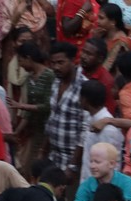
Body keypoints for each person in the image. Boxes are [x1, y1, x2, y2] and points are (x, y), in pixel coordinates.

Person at [8, 42, 55, 178]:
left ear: (28, 58)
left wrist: (21, 106)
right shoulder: (29, 78)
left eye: (21, 60)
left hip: (48, 132)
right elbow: (28, 112)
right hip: (35, 132)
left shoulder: (49, 76)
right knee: (27, 168)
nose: (20, 65)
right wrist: (17, 132)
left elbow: (48, 106)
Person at [45, 42, 87, 178]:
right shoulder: (56, 82)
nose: (56, 67)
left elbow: (85, 130)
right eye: (53, 63)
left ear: (73, 61)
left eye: (60, 62)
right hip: (54, 157)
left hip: (72, 161)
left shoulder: (83, 87)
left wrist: (73, 165)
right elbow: (52, 118)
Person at [78, 81, 123, 183]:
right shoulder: (91, 118)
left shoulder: (108, 129)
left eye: (80, 97)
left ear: (85, 100)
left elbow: (112, 166)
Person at [96, 4, 131, 73]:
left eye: (101, 18)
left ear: (113, 22)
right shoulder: (100, 35)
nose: (97, 21)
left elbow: (107, 67)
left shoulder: (121, 42)